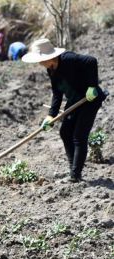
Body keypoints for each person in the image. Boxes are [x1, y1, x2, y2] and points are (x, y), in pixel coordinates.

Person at [22, 38, 107, 182]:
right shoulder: (51, 69)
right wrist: (51, 116)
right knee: (65, 132)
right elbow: (57, 93)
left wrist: (92, 86)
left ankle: (75, 175)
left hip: (89, 100)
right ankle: (73, 167)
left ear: (49, 57)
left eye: (39, 59)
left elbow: (91, 61)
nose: (38, 63)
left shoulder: (68, 59)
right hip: (75, 100)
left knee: (79, 136)